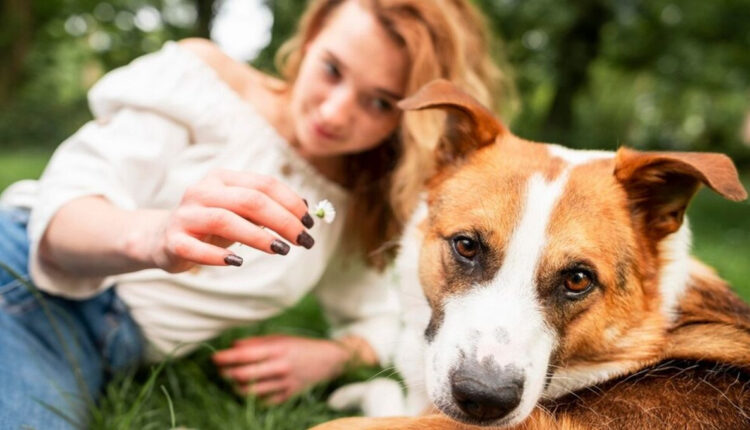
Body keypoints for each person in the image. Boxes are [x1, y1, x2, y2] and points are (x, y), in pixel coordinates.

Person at [0, 0, 511, 427]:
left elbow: (385, 314)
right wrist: (156, 236)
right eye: (332, 69)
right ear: (309, 38)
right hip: (22, 281)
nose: (335, 113)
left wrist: (334, 355)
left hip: (93, 351)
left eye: (379, 103)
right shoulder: (207, 87)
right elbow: (59, 215)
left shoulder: (358, 198)